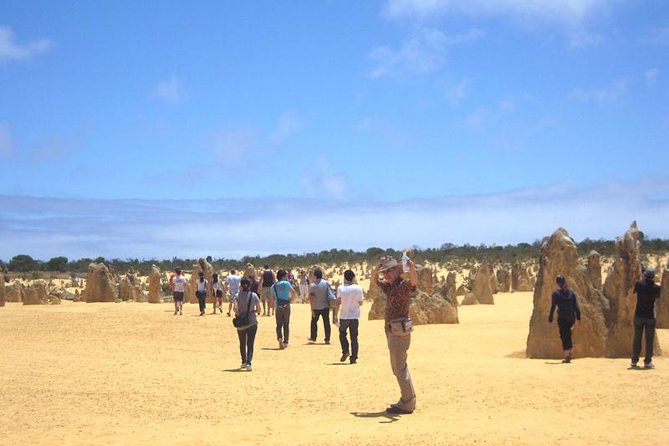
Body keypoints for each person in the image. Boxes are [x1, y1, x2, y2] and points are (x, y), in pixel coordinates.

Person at [371, 255, 418, 415]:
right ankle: (407, 399)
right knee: (397, 367)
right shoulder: (389, 287)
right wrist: (378, 266)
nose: (387, 274)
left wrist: (411, 269)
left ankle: (408, 401)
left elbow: (414, 283)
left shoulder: (403, 284)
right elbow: (374, 281)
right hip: (392, 330)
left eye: (390, 270)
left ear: (398, 271)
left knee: (399, 367)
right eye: (385, 271)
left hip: (399, 331)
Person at [631, 268, 661, 369]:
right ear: (653, 277)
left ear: (645, 275)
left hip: (638, 315)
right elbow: (658, 297)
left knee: (637, 339)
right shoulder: (656, 288)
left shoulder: (639, 284)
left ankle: (634, 361)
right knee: (649, 340)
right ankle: (647, 362)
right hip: (650, 316)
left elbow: (634, 291)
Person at [548, 275, 581, 363]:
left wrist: (550, 317)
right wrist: (578, 318)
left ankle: (567, 355)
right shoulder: (571, 293)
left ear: (558, 283)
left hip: (562, 318)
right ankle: (569, 353)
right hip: (571, 318)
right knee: (568, 334)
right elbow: (576, 307)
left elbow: (553, 307)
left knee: (564, 336)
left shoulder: (556, 294)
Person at [233, 278, 262, 371]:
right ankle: (249, 362)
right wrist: (254, 311)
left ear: (241, 285)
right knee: (250, 343)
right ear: (250, 286)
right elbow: (259, 309)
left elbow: (235, 309)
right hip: (252, 322)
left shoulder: (237, 296)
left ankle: (243, 361)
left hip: (241, 324)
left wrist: (240, 313)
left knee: (242, 343)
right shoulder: (254, 295)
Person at [337, 269, 364, 364]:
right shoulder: (358, 288)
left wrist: (334, 315)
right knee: (354, 337)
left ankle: (345, 351)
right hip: (354, 316)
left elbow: (338, 302)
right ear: (353, 277)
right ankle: (354, 358)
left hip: (344, 316)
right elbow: (361, 302)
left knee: (342, 334)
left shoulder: (340, 288)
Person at [271, 269, 298, 349]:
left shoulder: (274, 286)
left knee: (279, 324)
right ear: (283, 276)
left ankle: (279, 337)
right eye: (286, 276)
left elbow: (272, 299)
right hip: (286, 306)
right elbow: (293, 292)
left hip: (278, 306)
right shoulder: (286, 283)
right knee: (286, 324)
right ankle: (285, 341)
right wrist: (292, 300)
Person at [308, 268, 333, 344]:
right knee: (326, 323)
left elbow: (311, 298)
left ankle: (313, 337)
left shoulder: (312, 285)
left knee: (314, 322)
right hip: (325, 306)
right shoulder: (326, 283)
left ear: (315, 276)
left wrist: (312, 309)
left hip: (316, 306)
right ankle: (327, 339)